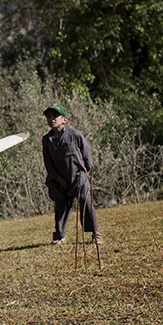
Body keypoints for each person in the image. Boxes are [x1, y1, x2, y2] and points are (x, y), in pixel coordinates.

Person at [42, 103, 103, 245]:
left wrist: (85, 173)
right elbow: (48, 162)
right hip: (58, 180)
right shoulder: (47, 140)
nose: (52, 119)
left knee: (86, 202)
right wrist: (57, 178)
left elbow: (87, 155)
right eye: (49, 116)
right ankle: (59, 236)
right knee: (60, 206)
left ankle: (95, 234)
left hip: (78, 177)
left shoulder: (75, 135)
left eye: (55, 116)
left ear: (64, 119)